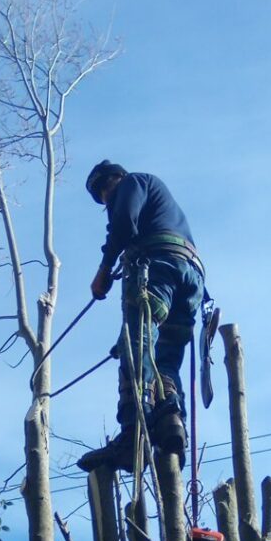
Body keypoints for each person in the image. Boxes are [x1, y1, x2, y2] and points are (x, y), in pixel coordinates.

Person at [77, 161, 205, 473]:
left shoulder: (133, 183)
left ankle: (132, 435)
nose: (106, 199)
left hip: (157, 267)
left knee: (137, 346)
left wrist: (104, 269)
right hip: (189, 280)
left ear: (113, 181)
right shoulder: (158, 203)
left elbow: (123, 223)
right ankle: (171, 425)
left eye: (105, 192)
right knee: (165, 356)